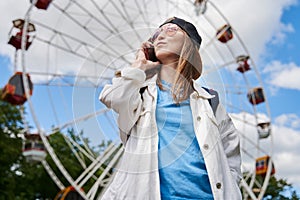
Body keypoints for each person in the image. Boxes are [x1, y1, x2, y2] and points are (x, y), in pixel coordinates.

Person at [99, 16, 242, 200]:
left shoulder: (209, 101)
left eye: (170, 30)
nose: (159, 36)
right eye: (157, 33)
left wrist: (230, 191)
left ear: (189, 43)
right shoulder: (140, 93)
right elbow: (114, 97)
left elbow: (231, 157)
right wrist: (139, 66)